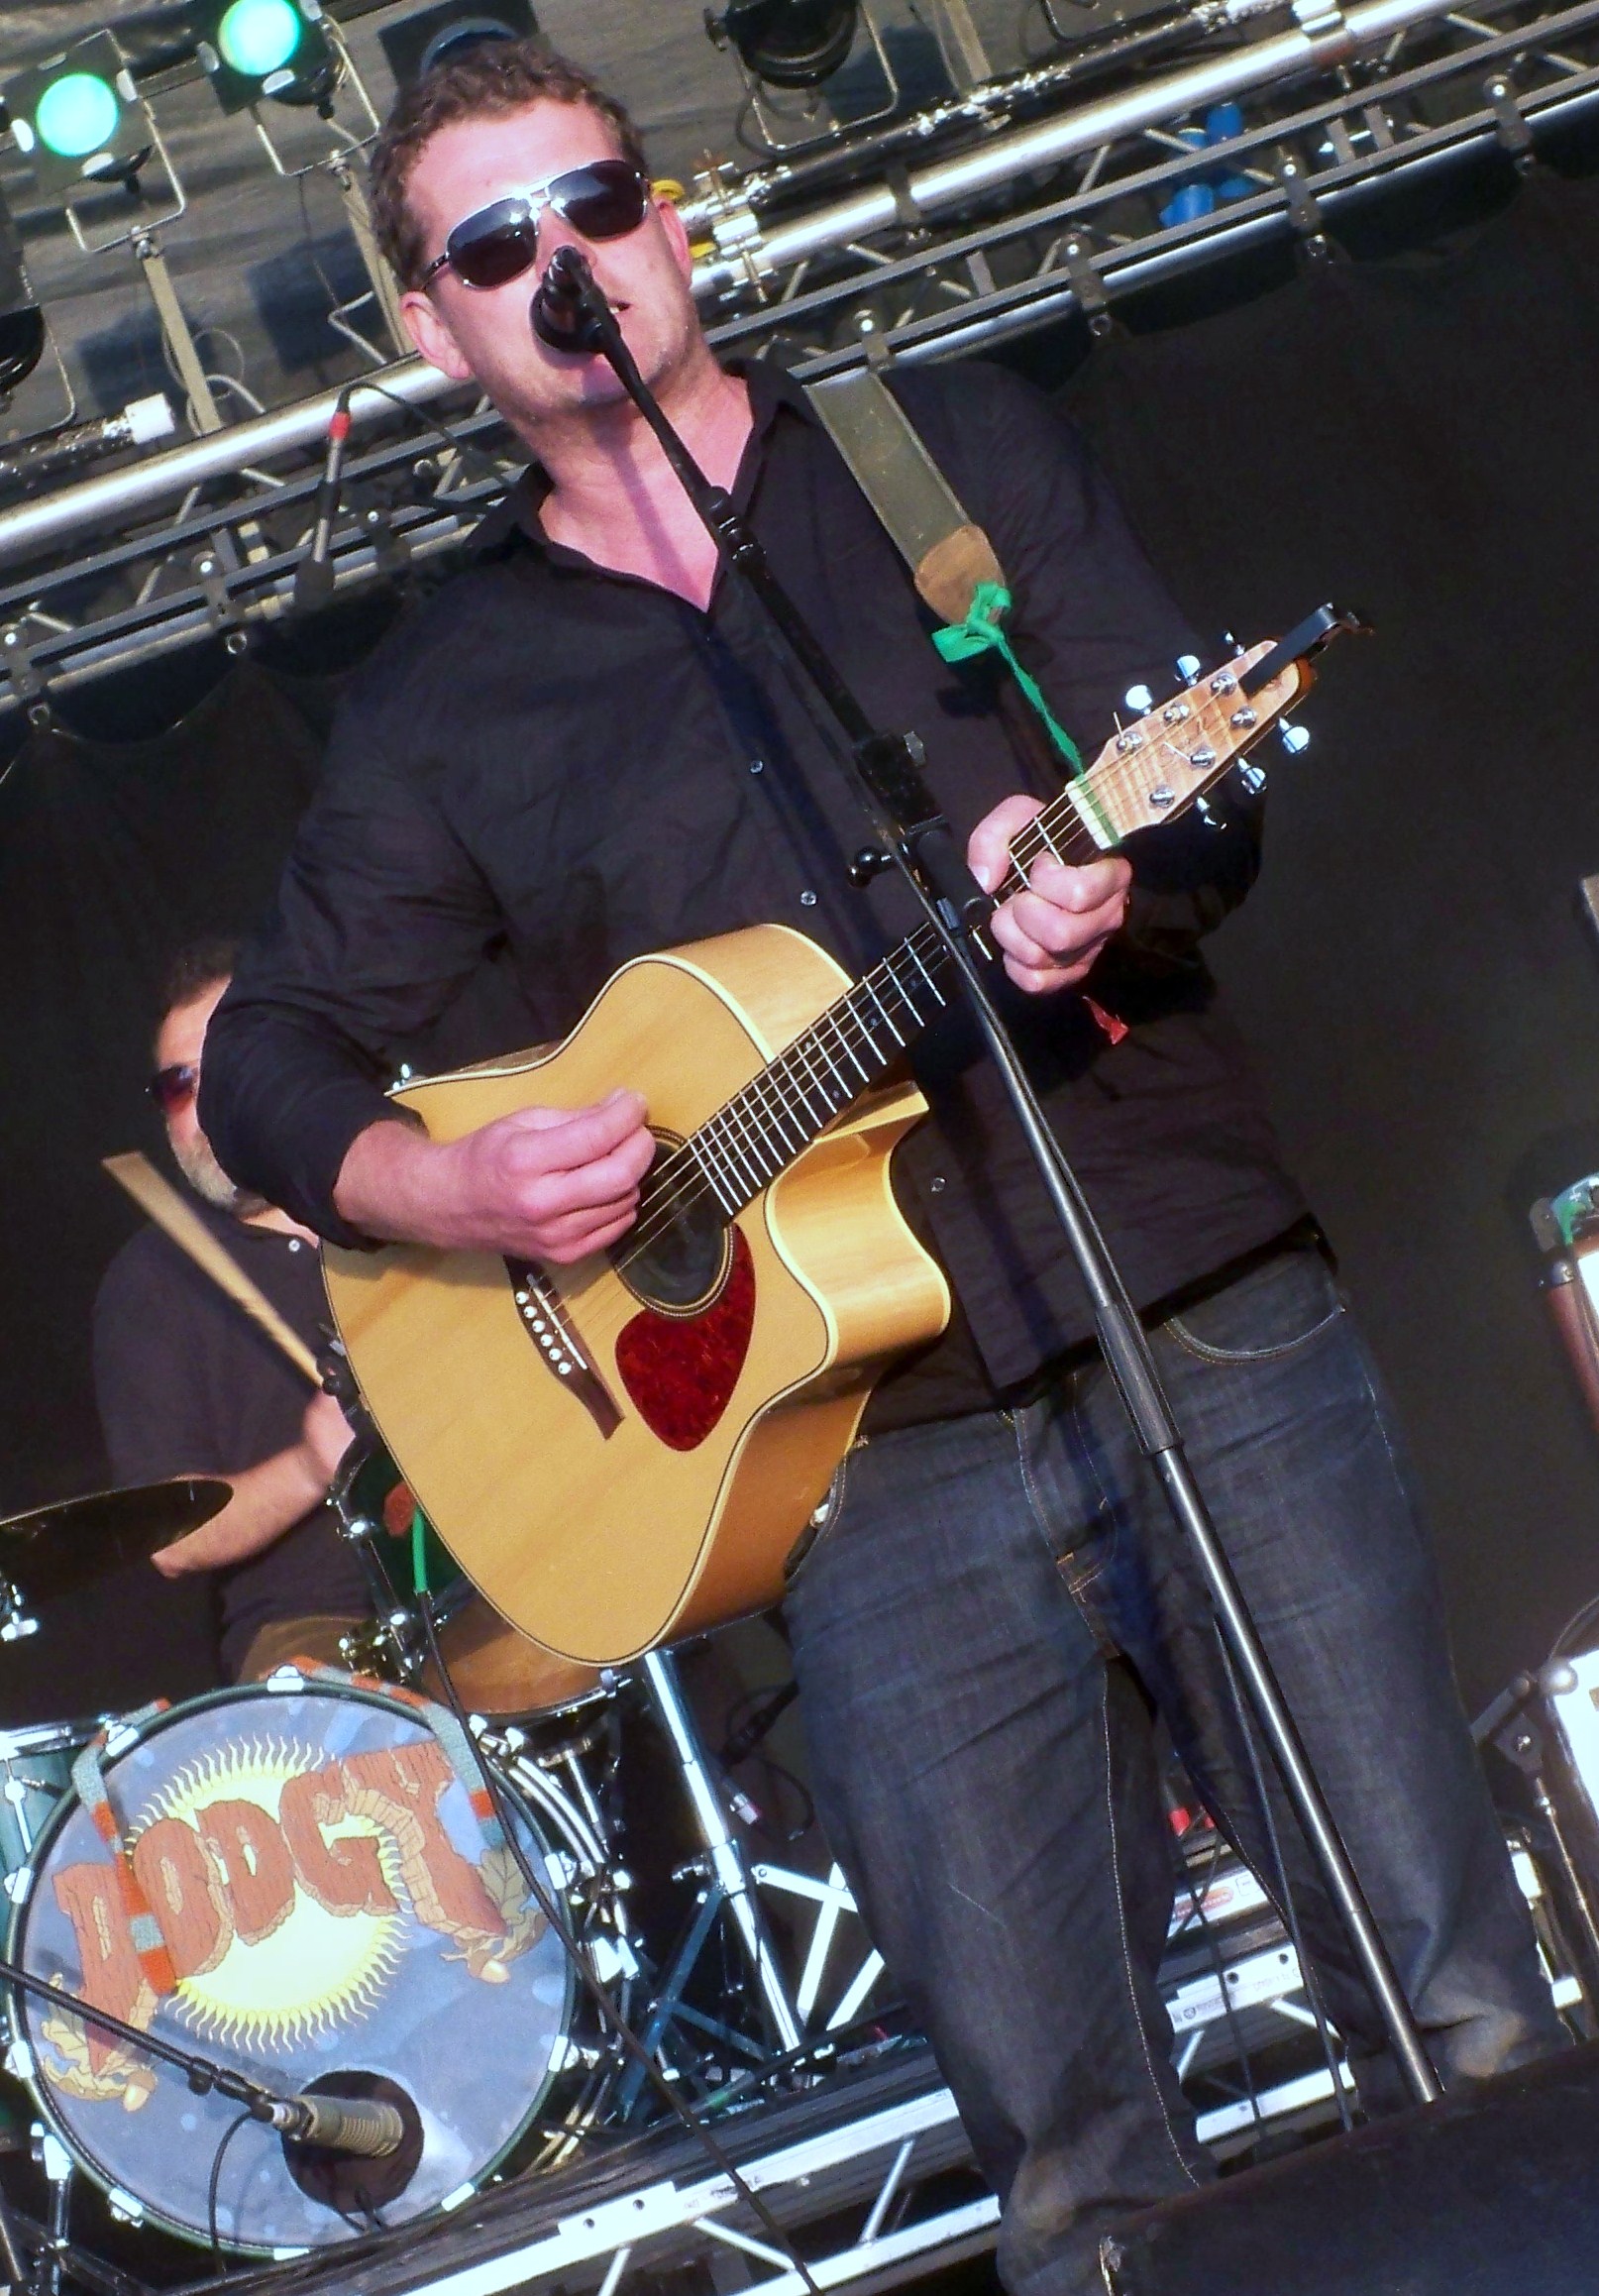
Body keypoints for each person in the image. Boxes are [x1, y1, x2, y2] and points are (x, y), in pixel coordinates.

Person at [199, 43, 1563, 2292]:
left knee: (1449, 1998)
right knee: (1069, 2169)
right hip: (851, 1477)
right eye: (494, 244)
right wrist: (444, 1193)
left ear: (672, 224)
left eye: (601, 202)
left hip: (1182, 1301)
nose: (569, 262)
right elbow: (271, 1056)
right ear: (435, 328)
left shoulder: (929, 458)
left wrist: (1107, 873)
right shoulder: (451, 701)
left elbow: (1189, 776)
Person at [94, 941, 371, 1683]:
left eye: (228, 1066)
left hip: (508, 1555)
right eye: (180, 1086)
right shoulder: (152, 1282)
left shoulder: (396, 1188)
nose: (206, 1104)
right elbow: (170, 1539)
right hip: (319, 1627)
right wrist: (314, 1462)